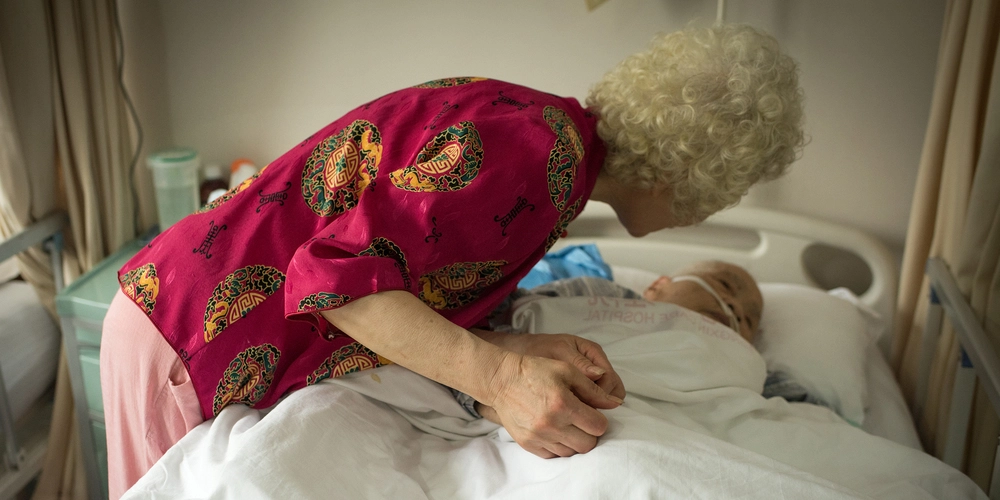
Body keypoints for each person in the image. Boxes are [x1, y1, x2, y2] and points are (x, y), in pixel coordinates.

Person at [100, 23, 804, 497]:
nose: (708, 212)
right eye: (724, 191)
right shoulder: (538, 160)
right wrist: (499, 376)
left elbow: (404, 274)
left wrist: (509, 343)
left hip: (192, 325)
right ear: (693, 170)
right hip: (188, 340)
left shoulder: (542, 137)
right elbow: (335, 276)